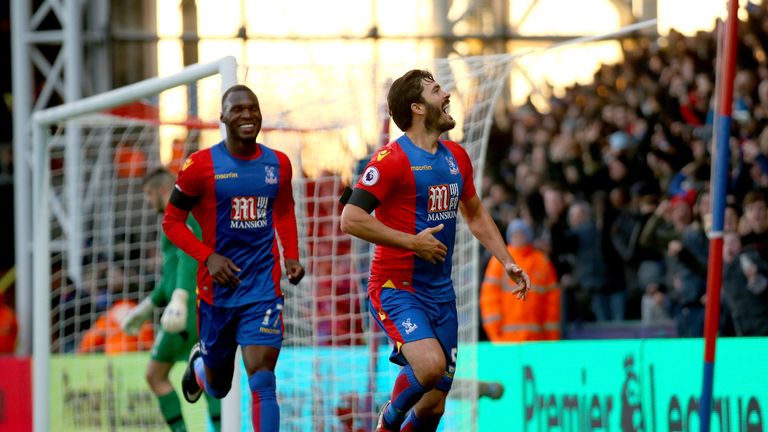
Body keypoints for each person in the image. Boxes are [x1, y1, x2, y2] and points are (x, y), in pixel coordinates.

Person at [340, 69, 530, 432]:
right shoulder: (391, 159)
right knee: (428, 367)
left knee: (433, 407)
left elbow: (474, 214)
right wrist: (412, 242)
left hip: (440, 294)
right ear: (417, 107)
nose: (447, 95)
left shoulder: (456, 156)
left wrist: (507, 260)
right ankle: (386, 423)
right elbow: (350, 218)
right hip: (396, 288)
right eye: (437, 90)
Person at [162, 84, 305, 432]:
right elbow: (172, 222)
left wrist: (292, 256)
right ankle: (199, 366)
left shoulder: (278, 164)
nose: (247, 115)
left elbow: (284, 211)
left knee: (262, 377)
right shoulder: (200, 166)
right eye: (238, 110)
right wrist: (208, 256)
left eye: (252, 108)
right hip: (218, 293)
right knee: (219, 386)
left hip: (262, 288)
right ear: (223, 117)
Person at [121, 168, 221, 431]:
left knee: (155, 375)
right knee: (207, 373)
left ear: (160, 190)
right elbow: (171, 276)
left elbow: (191, 258)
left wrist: (179, 299)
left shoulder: (181, 213)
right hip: (203, 307)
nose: (147, 201)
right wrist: (147, 307)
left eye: (148, 195)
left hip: (188, 308)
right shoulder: (179, 215)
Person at [480, 219, 559, 342]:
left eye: (522, 233)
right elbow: (489, 298)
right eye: (515, 234)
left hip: (537, 340)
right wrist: (495, 333)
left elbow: (552, 303)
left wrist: (551, 338)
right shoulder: (499, 261)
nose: (518, 237)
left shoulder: (542, 262)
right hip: (506, 340)